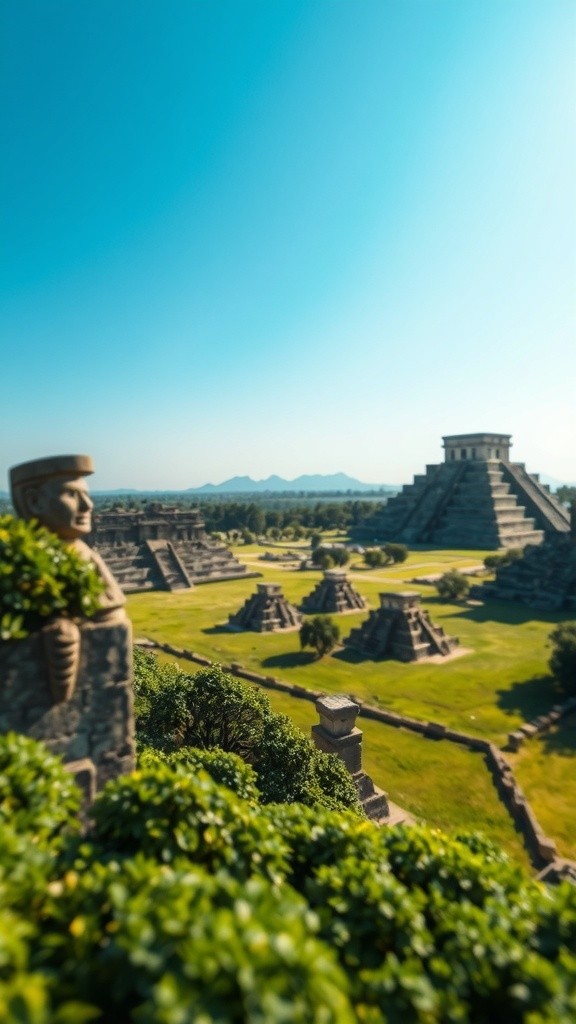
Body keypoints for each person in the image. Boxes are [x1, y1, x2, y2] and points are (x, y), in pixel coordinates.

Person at [9, 454, 126, 620]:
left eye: (87, 495)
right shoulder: (23, 565)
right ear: (34, 501)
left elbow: (113, 614)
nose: (88, 505)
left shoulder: (85, 554)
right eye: (71, 494)